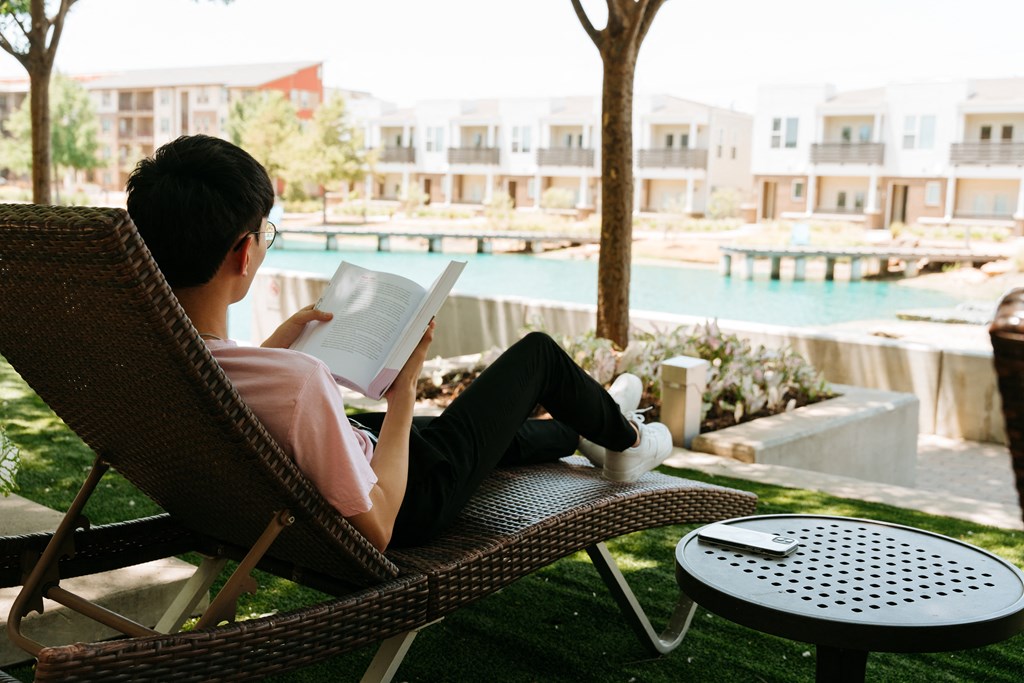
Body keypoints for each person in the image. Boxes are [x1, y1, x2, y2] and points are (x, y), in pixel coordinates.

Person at [126, 134, 673, 551]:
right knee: (537, 356)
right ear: (244, 254)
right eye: (266, 233)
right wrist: (404, 391)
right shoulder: (299, 385)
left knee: (490, 433)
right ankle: (626, 440)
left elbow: (233, 394)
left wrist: (277, 345)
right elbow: (380, 525)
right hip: (413, 499)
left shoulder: (154, 359)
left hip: (352, 454)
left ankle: (587, 427)